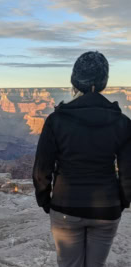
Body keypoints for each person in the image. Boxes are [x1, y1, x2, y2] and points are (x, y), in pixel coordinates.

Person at [33, 51, 131, 267]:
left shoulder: (56, 121)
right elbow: (128, 173)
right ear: (103, 81)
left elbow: (41, 170)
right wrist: (122, 202)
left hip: (65, 208)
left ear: (75, 80)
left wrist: (46, 201)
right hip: (107, 209)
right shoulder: (122, 123)